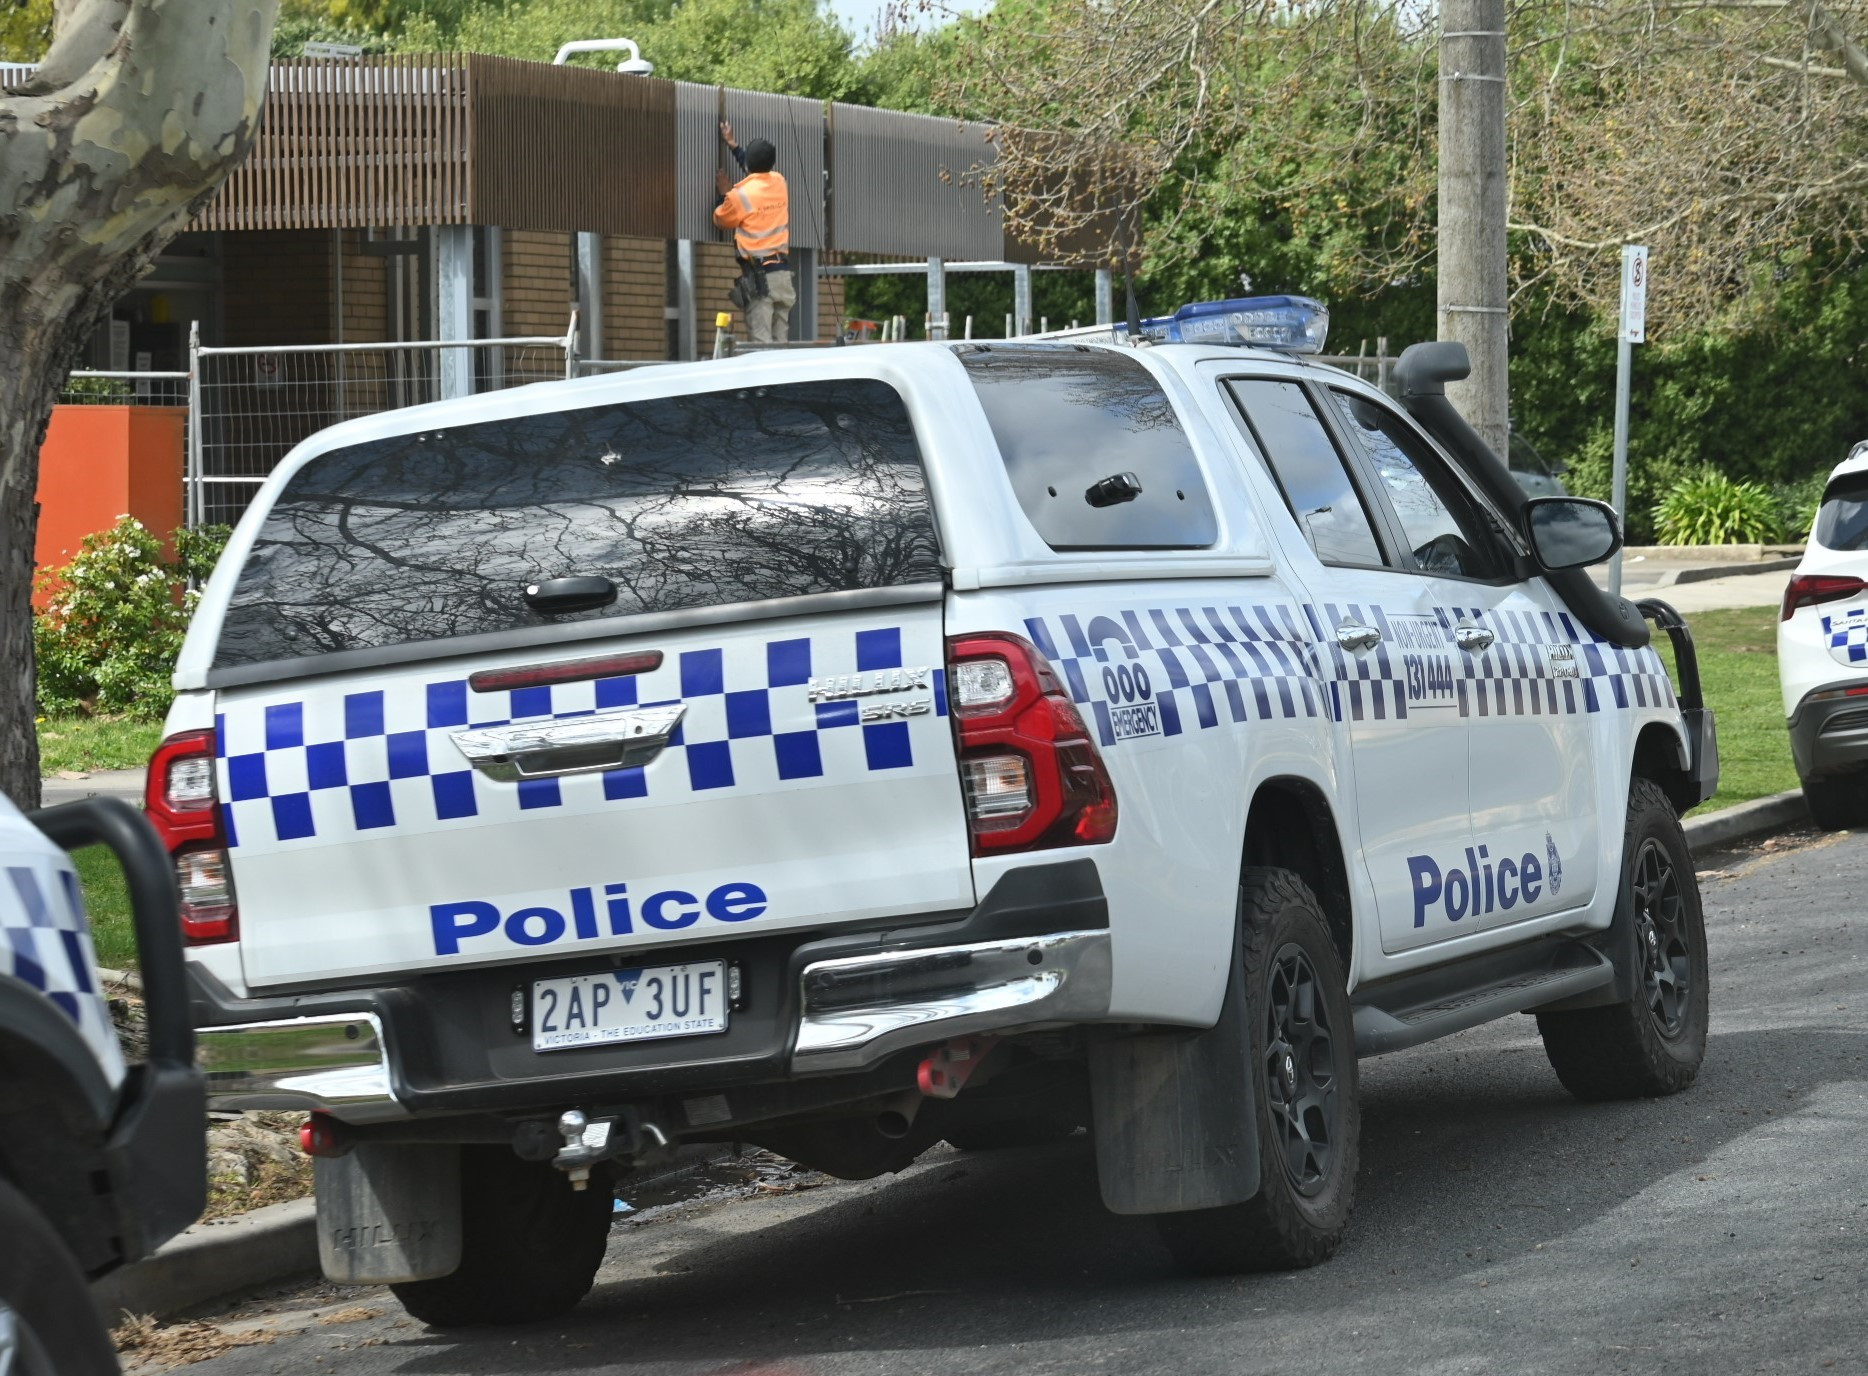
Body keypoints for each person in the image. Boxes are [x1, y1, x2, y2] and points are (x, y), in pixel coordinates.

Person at [714, 120, 795, 344]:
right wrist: (734, 145)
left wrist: (724, 194)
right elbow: (755, 172)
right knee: (781, 346)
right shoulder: (779, 182)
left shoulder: (739, 195)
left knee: (762, 348)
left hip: (761, 279)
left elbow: (721, 219)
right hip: (783, 277)